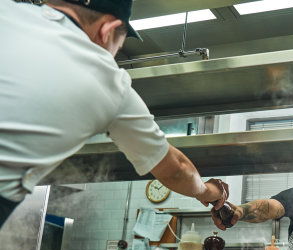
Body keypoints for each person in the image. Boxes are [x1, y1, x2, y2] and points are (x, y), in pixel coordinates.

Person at [0, 0, 228, 229]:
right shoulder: (107, 81)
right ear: (106, 29)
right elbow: (176, 170)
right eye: (116, 50)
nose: (113, 58)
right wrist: (209, 191)